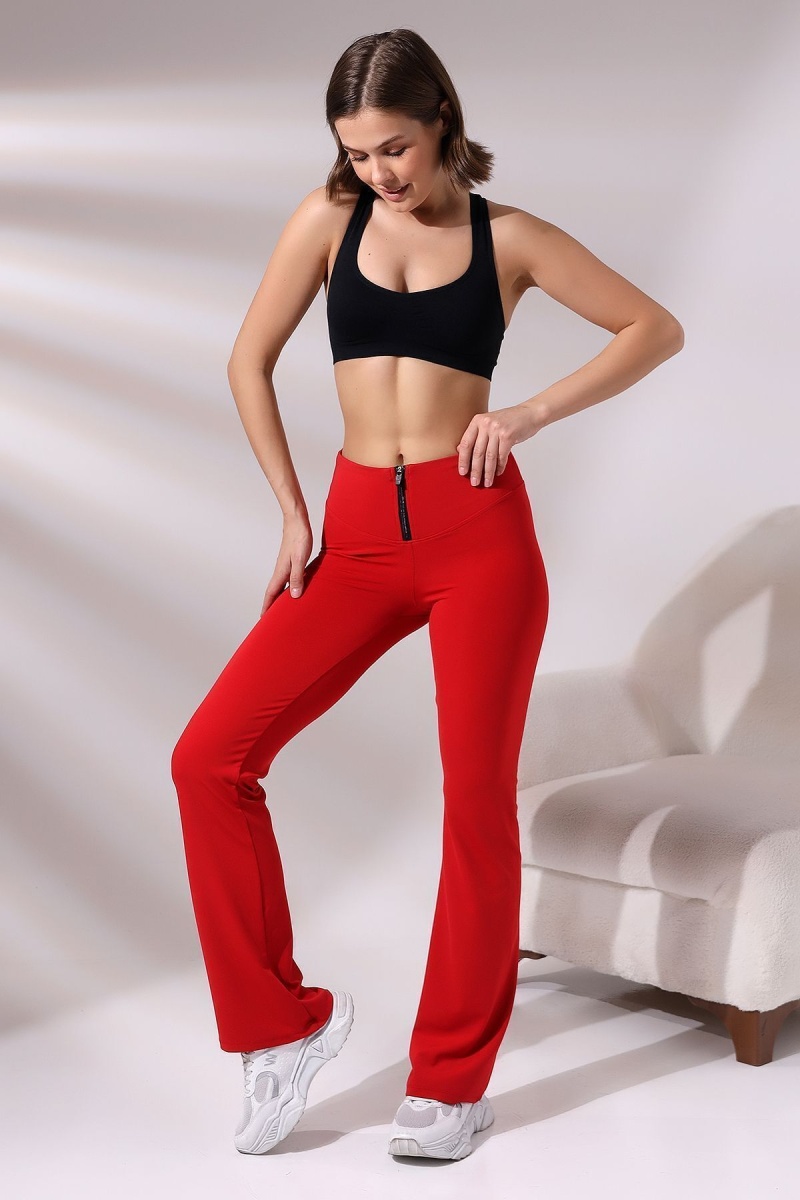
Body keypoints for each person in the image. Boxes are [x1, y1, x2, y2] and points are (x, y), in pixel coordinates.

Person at [170, 26, 684, 1162]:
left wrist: (529, 412)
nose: (379, 173)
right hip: (353, 538)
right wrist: (293, 511)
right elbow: (247, 360)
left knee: (472, 802)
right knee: (208, 759)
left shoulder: (511, 238)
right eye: (357, 153)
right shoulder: (327, 220)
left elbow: (654, 327)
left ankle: (451, 1083)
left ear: (442, 120)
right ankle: (282, 1028)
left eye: (394, 148)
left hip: (476, 536)